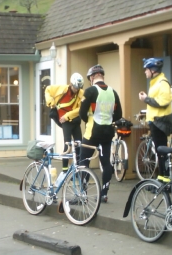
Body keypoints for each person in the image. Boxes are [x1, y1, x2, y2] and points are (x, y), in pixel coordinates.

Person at [79, 65, 122, 203]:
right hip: (107, 132)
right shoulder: (113, 92)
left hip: (92, 132)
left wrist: (89, 120)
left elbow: (82, 113)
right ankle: (104, 193)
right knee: (105, 162)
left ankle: (83, 193)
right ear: (102, 76)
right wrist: (108, 119)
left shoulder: (90, 91)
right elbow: (119, 114)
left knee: (84, 161)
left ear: (92, 78)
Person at [138, 58, 172, 182]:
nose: (144, 72)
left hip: (161, 122)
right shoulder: (155, 82)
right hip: (156, 122)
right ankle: (161, 180)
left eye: (146, 69)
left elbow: (163, 102)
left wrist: (146, 99)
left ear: (153, 70)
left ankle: (166, 180)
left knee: (162, 152)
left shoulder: (162, 82)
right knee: (159, 152)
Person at [45, 73, 85, 179]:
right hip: (64, 121)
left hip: (74, 119)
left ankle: (78, 170)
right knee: (67, 144)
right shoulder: (62, 89)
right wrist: (51, 102)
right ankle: (64, 171)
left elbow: (80, 108)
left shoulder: (81, 93)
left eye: (79, 87)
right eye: (75, 87)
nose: (77, 89)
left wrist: (68, 115)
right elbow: (48, 90)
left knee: (79, 144)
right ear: (71, 84)